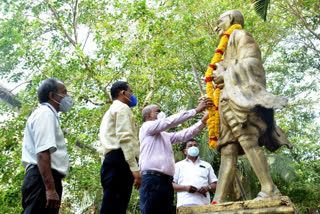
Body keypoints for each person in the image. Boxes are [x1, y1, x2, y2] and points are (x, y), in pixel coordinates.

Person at [210, 10, 292, 202]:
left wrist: (226, 74)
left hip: (240, 99)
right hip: (225, 100)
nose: (216, 26)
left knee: (248, 141)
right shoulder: (224, 45)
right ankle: (218, 200)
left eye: (219, 21)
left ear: (230, 19)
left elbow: (253, 63)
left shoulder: (240, 35)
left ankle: (269, 189)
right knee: (228, 150)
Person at [139, 98, 213, 214]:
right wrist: (196, 110)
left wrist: (203, 122)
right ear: (148, 116)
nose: (161, 113)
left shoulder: (164, 136)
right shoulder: (147, 127)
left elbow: (184, 134)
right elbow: (169, 121)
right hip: (152, 180)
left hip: (166, 181)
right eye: (158, 111)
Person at [21, 78, 72, 214]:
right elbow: (43, 152)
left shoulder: (47, 115)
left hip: (43, 178)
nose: (67, 97)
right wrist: (50, 189)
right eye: (64, 92)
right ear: (51, 95)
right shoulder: (45, 113)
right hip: (42, 179)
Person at [98, 81, 141, 214]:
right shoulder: (122, 108)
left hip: (109, 163)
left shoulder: (109, 113)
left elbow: (101, 147)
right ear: (123, 93)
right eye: (131, 92)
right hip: (120, 162)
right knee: (115, 208)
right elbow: (125, 138)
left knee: (111, 206)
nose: (132, 95)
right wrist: (134, 168)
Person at [173, 139, 218, 207]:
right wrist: (185, 188)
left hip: (204, 205)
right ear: (185, 151)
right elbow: (171, 185)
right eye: (190, 146)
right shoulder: (178, 165)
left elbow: (215, 184)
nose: (193, 147)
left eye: (195, 145)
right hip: (184, 204)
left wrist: (208, 187)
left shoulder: (207, 165)